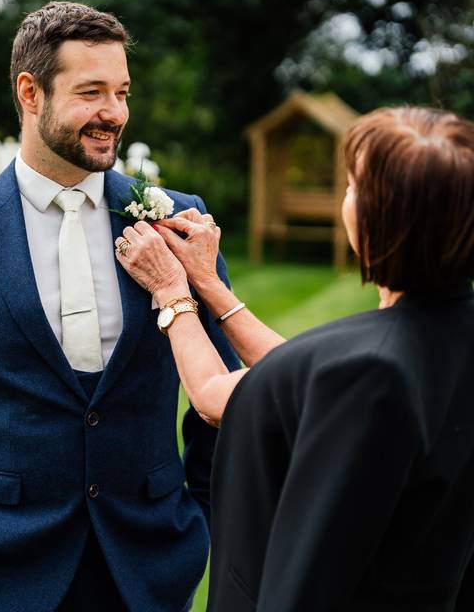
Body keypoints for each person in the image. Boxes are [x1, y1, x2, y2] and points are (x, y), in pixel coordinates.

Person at [0, 1, 239, 612]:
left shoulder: (177, 220)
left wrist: (204, 515)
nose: (114, 113)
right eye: (91, 92)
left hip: (148, 560)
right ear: (30, 93)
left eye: (122, 92)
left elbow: (227, 389)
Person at [115, 105, 474, 611]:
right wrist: (211, 287)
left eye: (353, 187)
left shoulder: (369, 369)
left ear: (377, 216)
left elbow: (215, 398)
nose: (346, 200)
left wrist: (171, 292)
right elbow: (300, 377)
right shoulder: (435, 337)